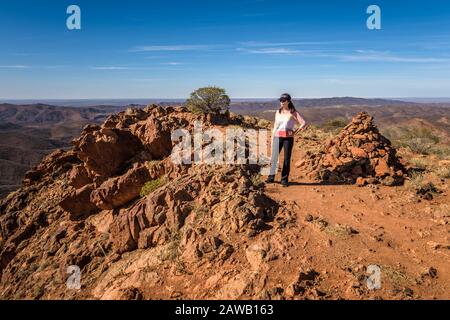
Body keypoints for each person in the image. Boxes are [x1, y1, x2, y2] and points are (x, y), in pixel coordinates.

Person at [266, 93, 307, 187]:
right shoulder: (278, 112)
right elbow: (276, 125)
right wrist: (272, 138)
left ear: (288, 101)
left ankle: (284, 180)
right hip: (277, 136)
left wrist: (295, 132)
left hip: (288, 138)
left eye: (283, 100)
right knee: (274, 157)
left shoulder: (293, 112)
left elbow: (303, 123)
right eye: (280, 100)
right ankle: (271, 177)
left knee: (286, 159)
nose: (281, 102)